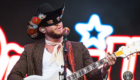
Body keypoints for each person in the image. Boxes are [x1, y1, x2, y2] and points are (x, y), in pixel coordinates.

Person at [7, 3, 116, 80]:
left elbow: (93, 76)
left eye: (59, 19)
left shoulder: (79, 48)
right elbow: (13, 76)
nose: (58, 24)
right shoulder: (30, 50)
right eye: (52, 22)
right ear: (43, 29)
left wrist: (104, 69)